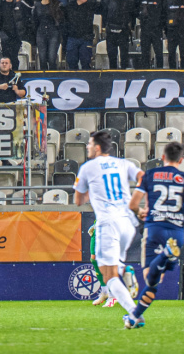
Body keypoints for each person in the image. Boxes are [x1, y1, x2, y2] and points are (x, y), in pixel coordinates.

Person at [126, 140, 184, 328]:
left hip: (155, 229)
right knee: (155, 282)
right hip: (176, 231)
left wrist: (139, 212)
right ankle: (134, 317)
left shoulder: (149, 175)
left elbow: (133, 204)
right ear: (181, 159)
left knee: (150, 280)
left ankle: (164, 254)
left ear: (162, 157)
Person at [74, 130, 141, 322]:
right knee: (112, 269)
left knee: (108, 275)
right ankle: (124, 272)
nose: (87, 147)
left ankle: (135, 314)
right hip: (127, 222)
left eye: (89, 144)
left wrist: (91, 191)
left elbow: (78, 200)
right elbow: (143, 177)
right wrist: (136, 201)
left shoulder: (88, 167)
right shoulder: (123, 163)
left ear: (96, 147)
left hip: (108, 222)